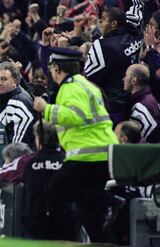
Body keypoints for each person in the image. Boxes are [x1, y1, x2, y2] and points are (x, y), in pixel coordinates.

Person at [33, 47, 122, 243]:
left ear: (57, 68)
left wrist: (45, 109)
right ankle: (106, 241)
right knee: (89, 214)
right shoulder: (86, 84)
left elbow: (76, 117)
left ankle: (113, 202)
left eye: (51, 68)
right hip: (104, 151)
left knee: (57, 187)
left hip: (89, 154)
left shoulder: (70, 87)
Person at [0, 120, 79, 241]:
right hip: (65, 219)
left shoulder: (27, 161)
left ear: (38, 139)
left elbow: (3, 173)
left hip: (35, 220)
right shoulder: (68, 160)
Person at [84, 0, 143, 124]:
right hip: (134, 98)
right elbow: (137, 12)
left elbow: (88, 76)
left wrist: (96, 39)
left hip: (113, 104)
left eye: (103, 19)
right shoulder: (135, 34)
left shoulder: (102, 46)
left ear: (114, 24)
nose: (99, 22)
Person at [0, 61, 36, 168]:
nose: (0, 83)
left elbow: (20, 141)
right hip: (1, 167)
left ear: (15, 82)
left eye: (4, 79)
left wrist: (9, 166)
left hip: (15, 168)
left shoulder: (18, 102)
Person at [123, 64, 160, 143]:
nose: (123, 79)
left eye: (126, 76)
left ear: (134, 80)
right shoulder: (149, 98)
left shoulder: (140, 107)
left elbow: (134, 142)